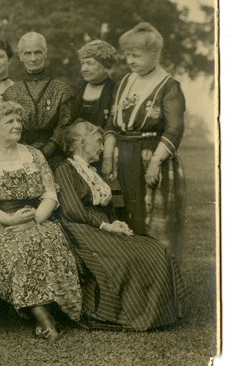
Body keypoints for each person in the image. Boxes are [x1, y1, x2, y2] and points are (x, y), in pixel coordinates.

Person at [53, 121, 183, 331]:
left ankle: (159, 313)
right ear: (82, 142)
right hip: (80, 230)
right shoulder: (65, 169)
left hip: (101, 226)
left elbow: (107, 208)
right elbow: (72, 211)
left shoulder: (91, 171)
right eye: (98, 142)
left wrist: (115, 223)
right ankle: (133, 314)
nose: (103, 148)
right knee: (134, 256)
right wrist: (104, 225)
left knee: (155, 249)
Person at [0, 102, 82, 340]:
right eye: (9, 121)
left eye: (18, 121)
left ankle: (57, 311)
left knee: (51, 242)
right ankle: (44, 320)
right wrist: (9, 220)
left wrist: (37, 219)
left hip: (36, 218)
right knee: (20, 249)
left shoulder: (34, 154)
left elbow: (50, 194)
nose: (16, 125)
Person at [103, 22, 187, 251]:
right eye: (127, 55)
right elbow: (112, 122)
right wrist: (109, 155)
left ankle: (155, 269)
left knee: (148, 219)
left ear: (154, 54)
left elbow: (174, 129)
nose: (130, 60)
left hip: (151, 157)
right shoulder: (125, 82)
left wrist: (155, 163)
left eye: (136, 55)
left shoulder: (168, 86)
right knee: (124, 214)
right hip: (123, 156)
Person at [3, 32, 74, 163]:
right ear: (20, 56)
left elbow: (64, 125)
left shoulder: (62, 89)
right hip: (21, 156)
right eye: (27, 53)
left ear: (45, 54)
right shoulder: (11, 93)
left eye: (38, 52)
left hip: (55, 157)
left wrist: (46, 152)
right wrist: (28, 154)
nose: (33, 58)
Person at [73, 39, 119, 131]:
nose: (84, 69)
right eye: (82, 63)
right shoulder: (75, 89)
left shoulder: (115, 91)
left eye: (90, 63)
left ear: (106, 66)